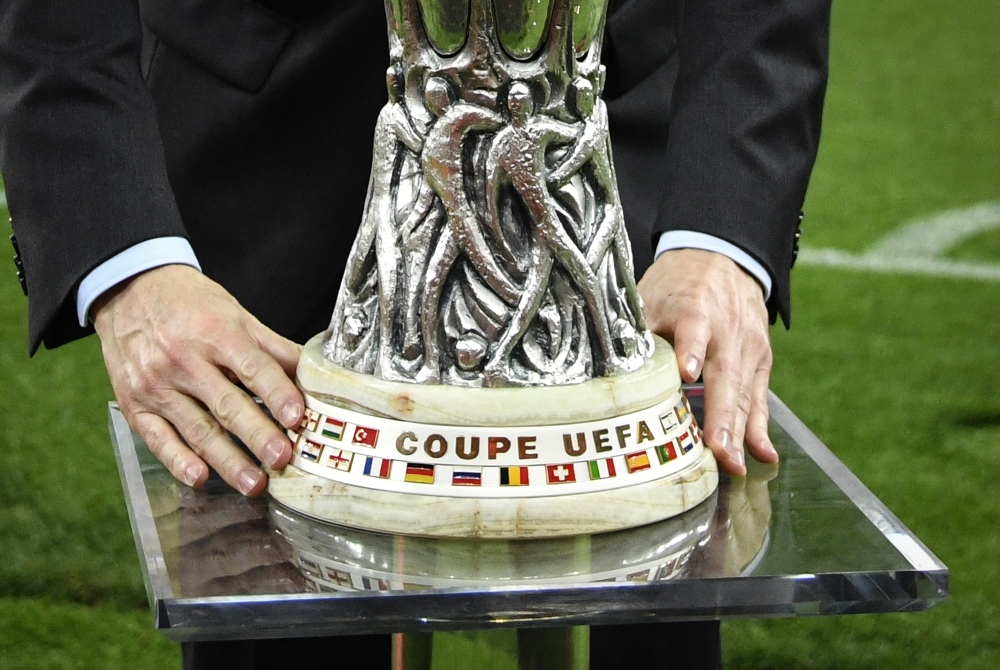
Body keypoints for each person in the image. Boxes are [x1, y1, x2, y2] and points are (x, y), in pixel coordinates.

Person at [0, 0, 830, 668]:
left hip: (611, 161)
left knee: (655, 601)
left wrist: (722, 232)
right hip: (263, 176)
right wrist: (124, 258)